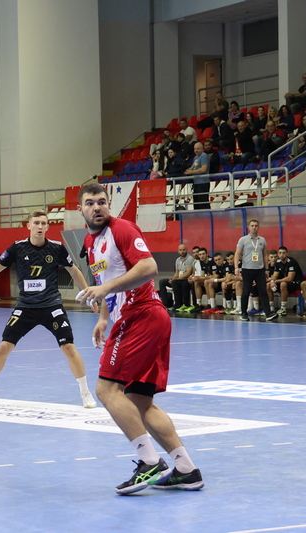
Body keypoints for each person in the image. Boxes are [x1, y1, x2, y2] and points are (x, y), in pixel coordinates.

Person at [76, 183, 203, 494]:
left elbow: (149, 267)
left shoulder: (122, 229)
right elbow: (106, 281)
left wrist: (105, 290)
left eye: (102, 202)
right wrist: (103, 317)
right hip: (143, 318)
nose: (97, 207)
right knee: (139, 401)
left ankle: (149, 462)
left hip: (140, 315)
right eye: (90, 203)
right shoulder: (91, 242)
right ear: (80, 210)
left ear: (109, 205)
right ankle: (186, 469)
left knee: (106, 389)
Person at [0, 210, 97, 409]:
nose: (40, 226)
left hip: (51, 306)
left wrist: (87, 292)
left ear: (48, 226)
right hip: (25, 307)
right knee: (4, 347)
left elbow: (73, 270)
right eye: (36, 223)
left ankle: (85, 393)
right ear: (29, 226)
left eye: (43, 223)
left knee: (69, 347)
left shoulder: (57, 248)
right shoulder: (18, 248)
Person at [235, 219, 278, 322]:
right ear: (249, 227)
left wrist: (266, 269)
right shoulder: (243, 239)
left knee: (263, 291)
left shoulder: (262, 240)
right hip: (247, 269)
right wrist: (236, 267)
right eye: (252, 225)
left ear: (258, 227)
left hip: (259, 270)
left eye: (256, 226)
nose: (254, 227)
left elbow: (265, 254)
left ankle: (268, 313)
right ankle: (244, 313)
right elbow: (237, 253)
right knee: (246, 291)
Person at [268, 246, 305, 316]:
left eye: (283, 253)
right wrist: (272, 281)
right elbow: (275, 276)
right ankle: (271, 308)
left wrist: (276, 281)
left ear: (287, 254)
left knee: (283, 284)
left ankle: (283, 308)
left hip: (296, 283)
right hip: (285, 283)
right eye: (280, 253)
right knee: (268, 285)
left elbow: (289, 278)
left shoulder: (292, 262)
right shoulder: (278, 262)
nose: (281, 255)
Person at [159, 244, 195, 311]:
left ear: (186, 250)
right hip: (178, 279)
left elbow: (188, 273)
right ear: (178, 251)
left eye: (184, 250)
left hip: (185, 279)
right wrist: (172, 278)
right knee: (162, 282)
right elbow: (177, 273)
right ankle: (165, 304)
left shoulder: (190, 259)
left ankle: (178, 304)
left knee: (175, 282)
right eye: (180, 250)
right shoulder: (177, 260)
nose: (182, 251)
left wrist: (176, 279)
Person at [183, 142, 211, 210]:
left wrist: (191, 172)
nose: (196, 150)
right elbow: (193, 167)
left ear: (202, 149)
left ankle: (207, 215)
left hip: (203, 182)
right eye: (195, 149)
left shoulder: (204, 156)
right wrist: (187, 170)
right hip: (196, 183)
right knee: (196, 203)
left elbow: (204, 169)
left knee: (203, 203)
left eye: (198, 149)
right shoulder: (195, 157)